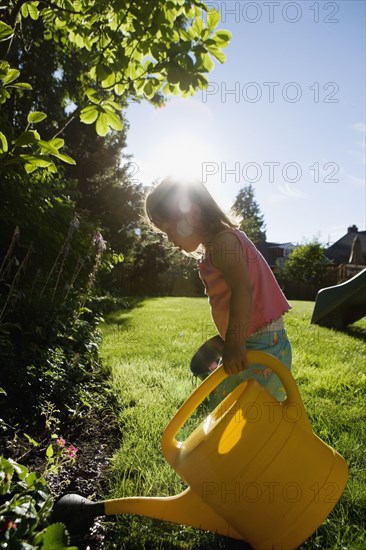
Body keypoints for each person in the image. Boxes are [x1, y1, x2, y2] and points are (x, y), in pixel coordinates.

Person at [145, 176, 292, 409]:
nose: (170, 240)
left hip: (262, 343)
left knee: (244, 407)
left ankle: (269, 443)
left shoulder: (224, 243)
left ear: (190, 214)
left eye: (168, 229)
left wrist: (234, 343)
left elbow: (242, 291)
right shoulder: (216, 246)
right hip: (253, 339)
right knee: (232, 401)